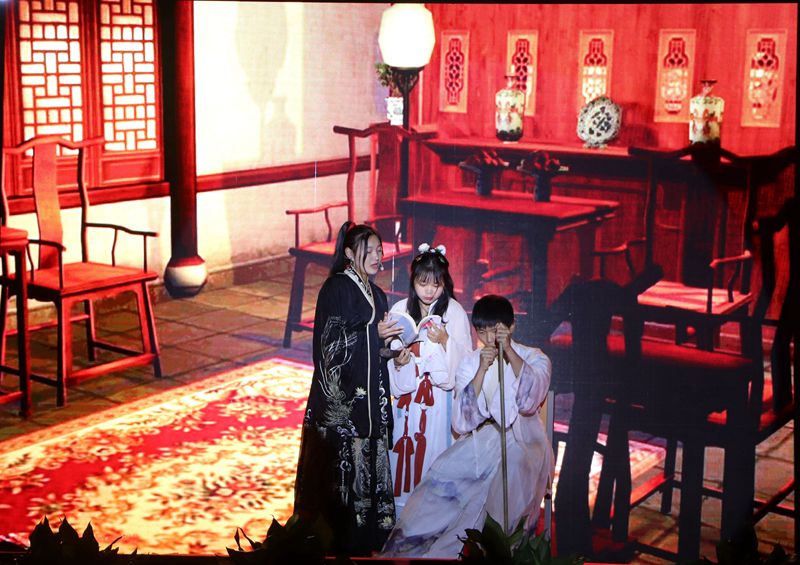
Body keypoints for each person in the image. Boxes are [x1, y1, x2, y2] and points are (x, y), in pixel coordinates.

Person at [381, 294, 554, 558]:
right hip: (481, 440)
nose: (489, 337)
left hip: (521, 443)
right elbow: (461, 422)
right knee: (441, 483)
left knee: (507, 487)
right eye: (482, 331)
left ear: (511, 327)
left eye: (495, 330)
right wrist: (481, 371)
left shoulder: (535, 357)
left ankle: (499, 554)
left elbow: (530, 401)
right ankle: (413, 554)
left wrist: (509, 351)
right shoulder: (471, 362)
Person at [293, 221, 403, 556]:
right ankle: (337, 545)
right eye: (369, 251)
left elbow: (371, 349)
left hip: (368, 400)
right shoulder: (337, 288)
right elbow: (329, 348)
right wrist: (373, 336)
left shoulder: (377, 294)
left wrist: (388, 350)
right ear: (350, 254)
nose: (377, 256)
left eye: (380, 250)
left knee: (368, 473)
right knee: (339, 479)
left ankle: (365, 543)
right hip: (342, 404)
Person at [387, 243, 472, 514]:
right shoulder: (400, 308)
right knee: (402, 455)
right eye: (423, 283)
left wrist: (446, 340)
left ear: (444, 284)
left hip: (439, 401)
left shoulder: (454, 312)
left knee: (435, 456)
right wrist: (398, 360)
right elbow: (390, 353)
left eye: (436, 284)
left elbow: (466, 362)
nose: (429, 291)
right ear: (413, 282)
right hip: (407, 400)